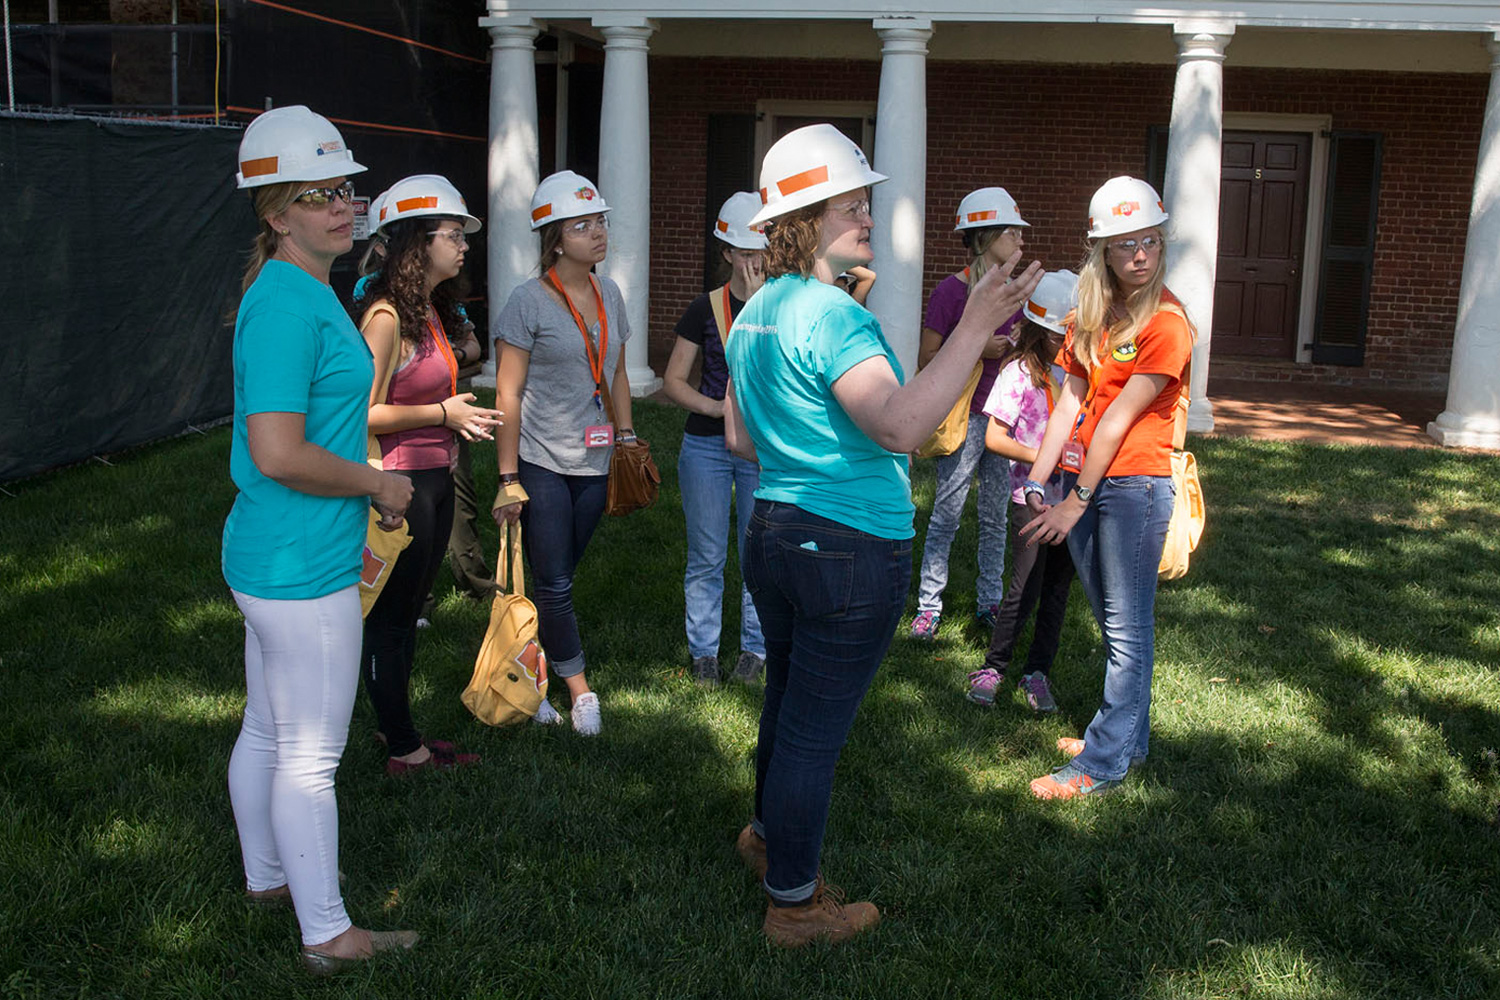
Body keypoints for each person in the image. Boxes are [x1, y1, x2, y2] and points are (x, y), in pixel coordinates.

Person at [723, 124, 1041, 946]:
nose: (866, 210)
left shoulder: (754, 309)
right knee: (810, 734)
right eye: (850, 200)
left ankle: (767, 842)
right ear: (803, 215)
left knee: (788, 707)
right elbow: (901, 426)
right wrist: (974, 328)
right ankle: (793, 905)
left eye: (863, 197)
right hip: (846, 548)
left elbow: (741, 442)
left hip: (774, 530)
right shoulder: (832, 316)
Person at [222, 105, 418, 973]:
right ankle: (329, 933)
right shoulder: (284, 307)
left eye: (345, 189)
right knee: (309, 756)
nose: (343, 206)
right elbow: (277, 450)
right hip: (300, 562)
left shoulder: (303, 289)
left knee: (268, 728)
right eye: (317, 196)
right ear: (276, 215)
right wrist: (379, 481)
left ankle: (269, 879)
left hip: (277, 553)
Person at [1019, 177, 1193, 800]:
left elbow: (1118, 419)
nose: (1140, 254)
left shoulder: (1168, 323)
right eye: (1125, 244)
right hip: (1086, 480)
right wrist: (1037, 482)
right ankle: (1128, 737)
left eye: (1149, 240)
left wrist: (1075, 499)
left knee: (1126, 630)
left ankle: (1103, 762)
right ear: (1103, 253)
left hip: (1132, 488)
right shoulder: (1090, 315)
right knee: (1117, 624)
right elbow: (1070, 400)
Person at [357, 174, 501, 775]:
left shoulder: (432, 312)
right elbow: (361, 412)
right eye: (452, 234)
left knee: (412, 607)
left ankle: (403, 733)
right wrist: (444, 412)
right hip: (400, 484)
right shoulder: (387, 316)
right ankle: (402, 748)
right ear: (418, 242)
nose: (465, 244)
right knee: (391, 620)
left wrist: (455, 421)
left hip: (436, 479)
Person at [492, 170, 639, 736]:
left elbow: (619, 373)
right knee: (553, 581)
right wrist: (508, 477)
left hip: (596, 460)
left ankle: (533, 674)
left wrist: (624, 437)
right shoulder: (527, 301)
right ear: (555, 239)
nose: (598, 232)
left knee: (560, 578)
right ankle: (580, 693)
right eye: (584, 224)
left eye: (601, 221)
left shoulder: (611, 294)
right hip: (540, 459)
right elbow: (507, 392)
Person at [909, 188, 1030, 640]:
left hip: (1005, 421)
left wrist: (1025, 336)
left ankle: (989, 604)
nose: (1020, 238)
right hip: (964, 418)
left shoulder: (1017, 292)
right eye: (1011, 230)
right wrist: (978, 344)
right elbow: (927, 358)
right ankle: (928, 607)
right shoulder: (950, 292)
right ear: (984, 237)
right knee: (947, 513)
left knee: (996, 516)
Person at [661, 191, 768, 686]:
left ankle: (755, 649)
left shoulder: (779, 305)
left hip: (763, 448)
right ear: (726, 252)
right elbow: (673, 381)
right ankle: (704, 652)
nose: (754, 261)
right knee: (706, 554)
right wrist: (717, 409)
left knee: (756, 551)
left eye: (761, 251)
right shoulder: (704, 309)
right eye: (744, 252)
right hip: (706, 445)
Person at [967, 270, 1080, 712]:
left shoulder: (1081, 375)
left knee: (1056, 591)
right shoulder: (1018, 372)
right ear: (1036, 330)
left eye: (1069, 334)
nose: (1062, 343)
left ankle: (1038, 673)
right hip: (1028, 501)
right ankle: (994, 666)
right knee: (1024, 588)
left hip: (1070, 501)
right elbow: (994, 438)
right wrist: (1040, 455)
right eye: (1055, 335)